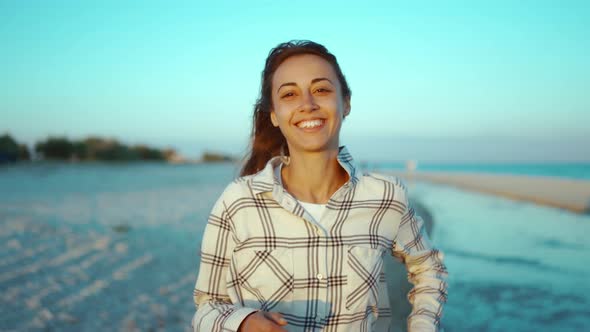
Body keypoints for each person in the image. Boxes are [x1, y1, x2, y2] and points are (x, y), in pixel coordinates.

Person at [191, 40, 448, 332]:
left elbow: (429, 267)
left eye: (321, 89)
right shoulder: (237, 201)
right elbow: (208, 305)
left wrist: (424, 326)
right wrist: (243, 322)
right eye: (289, 94)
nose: (307, 104)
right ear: (274, 114)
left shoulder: (386, 196)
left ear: (346, 102)